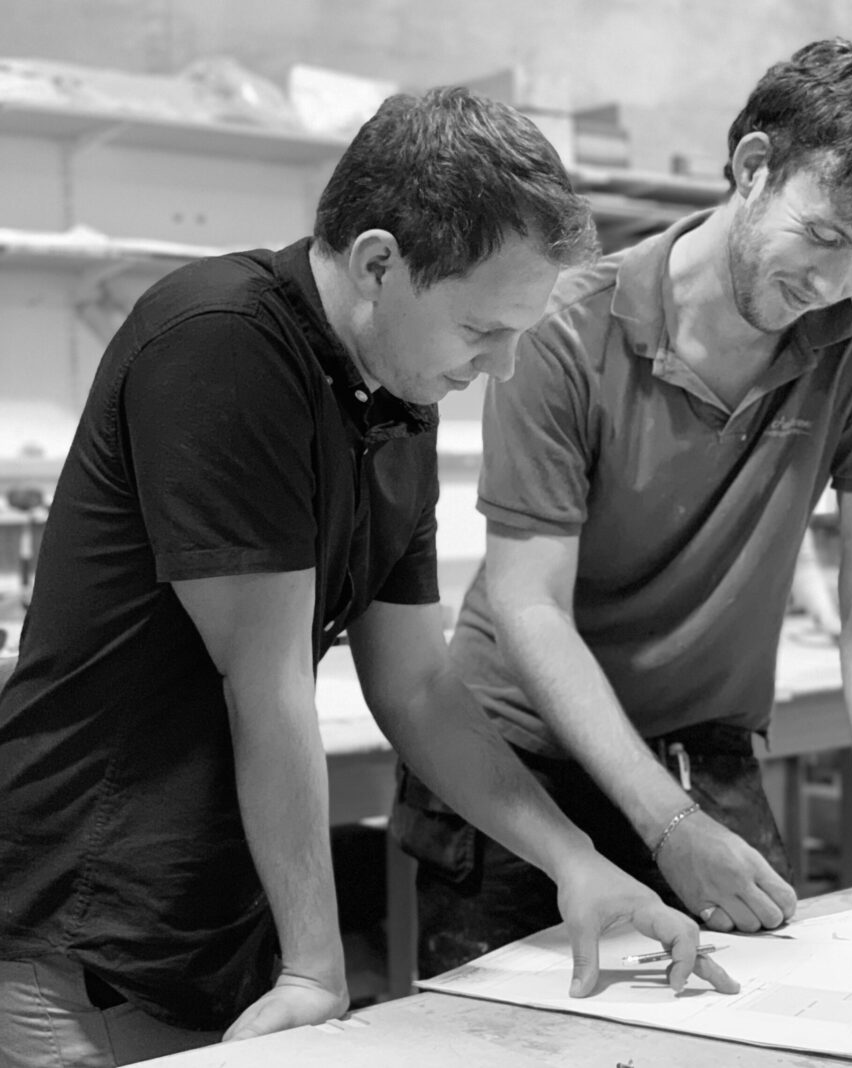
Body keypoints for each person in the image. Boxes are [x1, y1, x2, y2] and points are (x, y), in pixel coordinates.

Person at [0, 87, 736, 1068]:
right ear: (380, 263)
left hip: (212, 911)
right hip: (81, 921)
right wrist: (314, 970)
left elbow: (420, 686)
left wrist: (580, 866)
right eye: (483, 333)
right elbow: (264, 693)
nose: (504, 367)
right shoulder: (220, 343)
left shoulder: (393, 400)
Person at [394, 36, 852, 980]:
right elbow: (530, 604)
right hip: (521, 757)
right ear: (753, 168)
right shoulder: (564, 328)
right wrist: (666, 827)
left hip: (705, 749)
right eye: (825, 237)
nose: (835, 286)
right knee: (515, 1032)